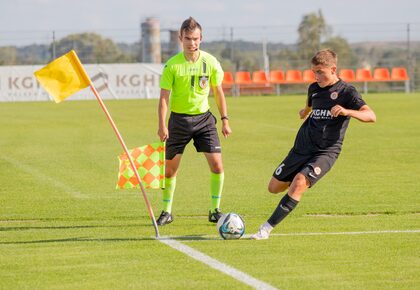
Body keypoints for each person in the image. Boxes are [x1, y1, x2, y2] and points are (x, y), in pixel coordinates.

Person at [251, 49, 376, 240]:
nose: (316, 76)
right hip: (301, 148)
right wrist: (304, 112)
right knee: (273, 188)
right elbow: (309, 106)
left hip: (326, 152)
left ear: (333, 69)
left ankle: (265, 229)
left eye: (320, 72)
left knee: (299, 183)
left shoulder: (347, 92)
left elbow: (371, 116)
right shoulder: (314, 89)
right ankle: (295, 184)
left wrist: (347, 111)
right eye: (314, 72)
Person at [156, 17, 232, 226]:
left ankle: (215, 210)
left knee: (217, 166)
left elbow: (218, 92)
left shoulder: (211, 62)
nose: (192, 43)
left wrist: (225, 119)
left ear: (201, 38)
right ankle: (166, 211)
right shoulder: (172, 65)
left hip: (204, 120)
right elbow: (164, 98)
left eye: (196, 38)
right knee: (170, 170)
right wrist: (162, 125)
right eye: (188, 38)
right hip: (178, 121)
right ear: (181, 38)